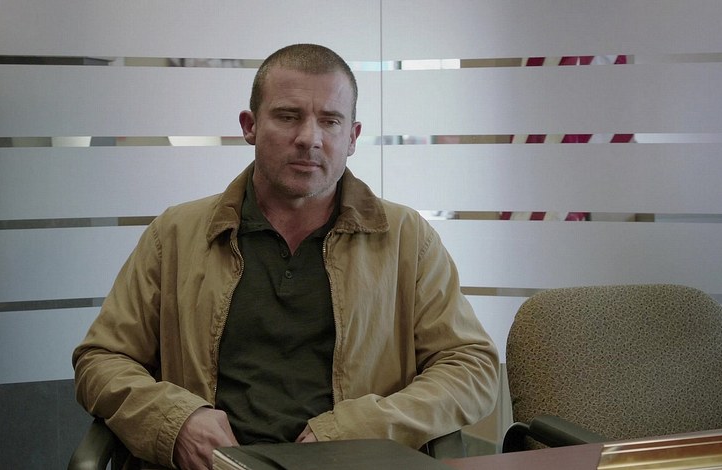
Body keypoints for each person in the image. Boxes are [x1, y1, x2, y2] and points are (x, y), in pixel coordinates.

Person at [73, 43, 499, 470]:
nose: (309, 138)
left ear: (352, 137)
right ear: (250, 126)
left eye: (330, 121)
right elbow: (102, 360)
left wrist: (361, 429)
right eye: (288, 116)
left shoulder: (406, 238)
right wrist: (175, 422)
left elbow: (470, 368)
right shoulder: (177, 235)